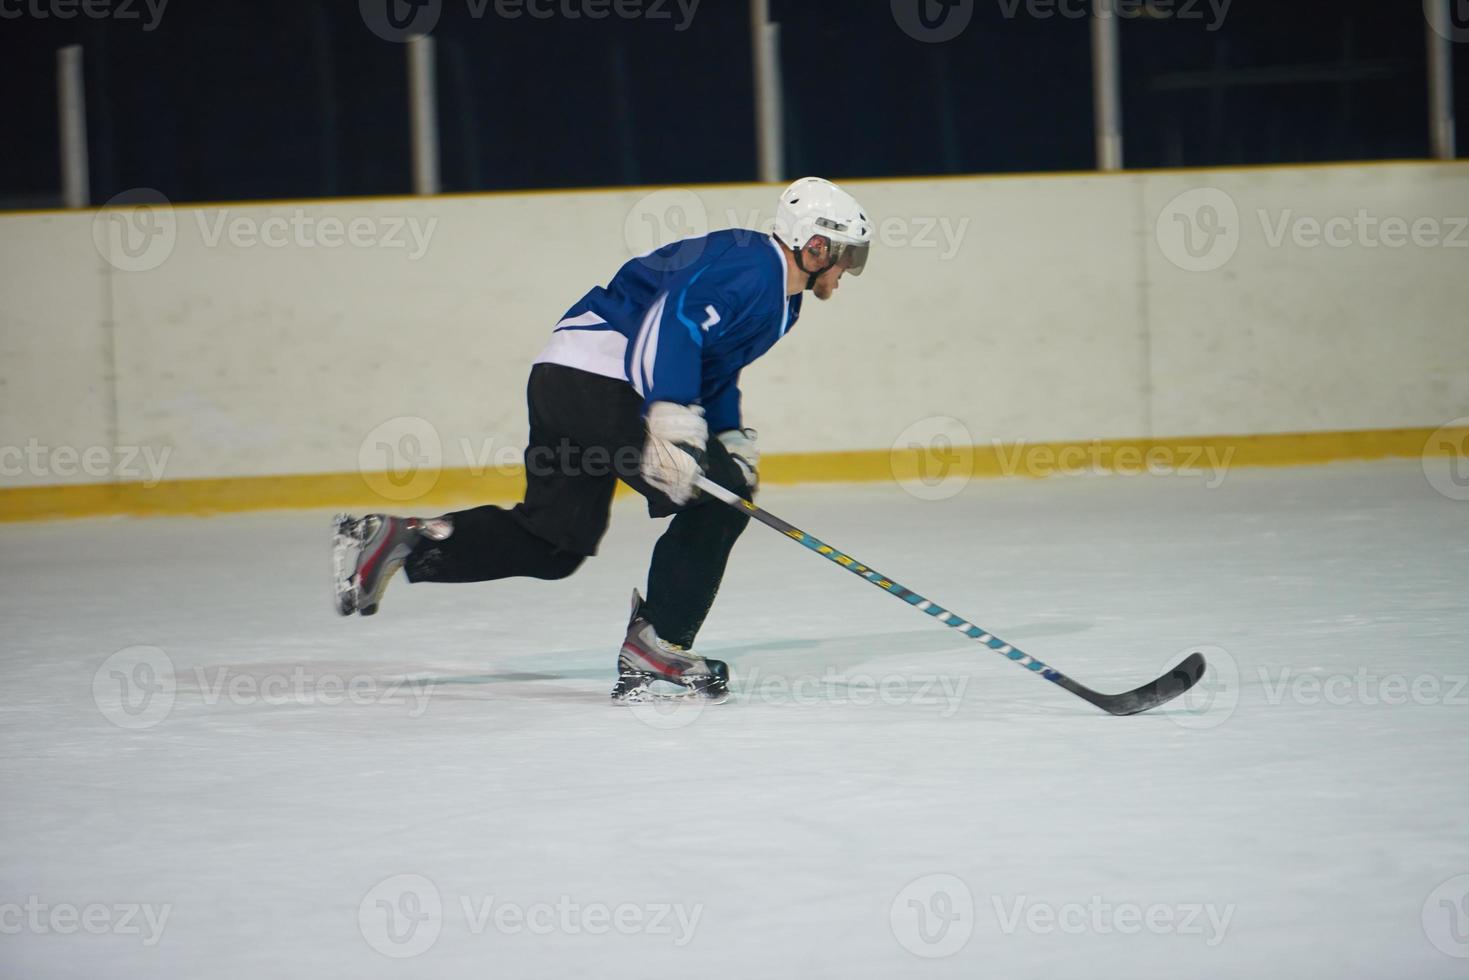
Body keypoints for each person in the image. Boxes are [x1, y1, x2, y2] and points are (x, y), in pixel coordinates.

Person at [332, 176, 872, 703]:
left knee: (554, 541)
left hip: (564, 378)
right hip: (603, 379)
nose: (849, 268)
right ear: (815, 244)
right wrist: (671, 422)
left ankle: (402, 540)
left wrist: (728, 434)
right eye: (847, 254)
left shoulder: (784, 299)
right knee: (718, 497)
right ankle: (659, 644)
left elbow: (714, 366)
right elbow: (670, 322)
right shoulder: (754, 266)